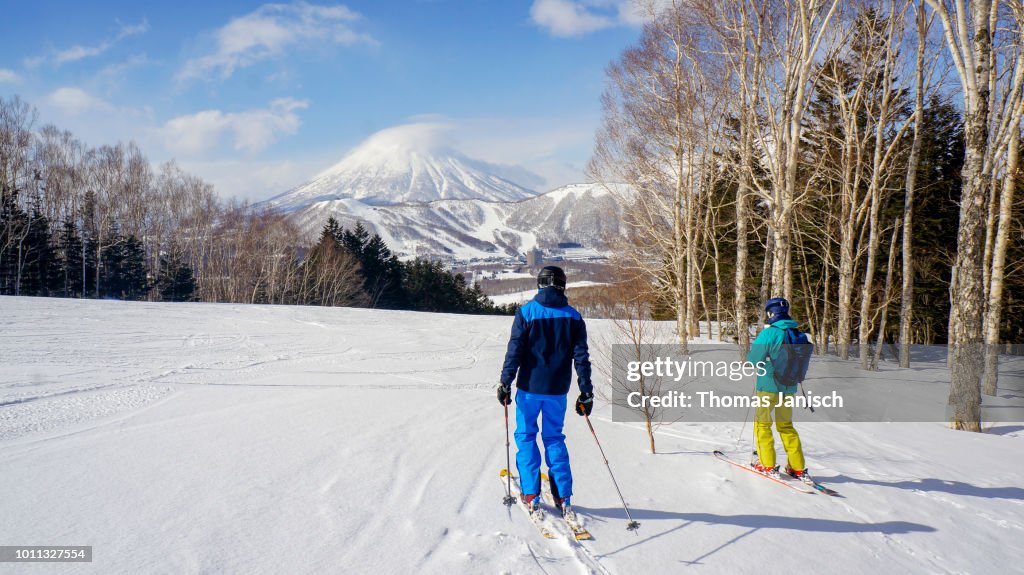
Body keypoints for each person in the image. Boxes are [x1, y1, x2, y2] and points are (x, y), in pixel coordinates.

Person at [497, 265, 592, 521]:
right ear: (562, 285)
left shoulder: (526, 312)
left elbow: (514, 351)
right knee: (554, 438)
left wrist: (505, 382)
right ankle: (563, 496)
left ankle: (531, 494)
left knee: (526, 436)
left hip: (529, 388)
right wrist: (586, 391)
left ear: (540, 284)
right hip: (557, 390)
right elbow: (581, 357)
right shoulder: (573, 317)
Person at [746, 297, 811, 482]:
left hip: (768, 386)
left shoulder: (770, 334)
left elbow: (753, 360)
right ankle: (797, 467)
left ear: (770, 313)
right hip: (789, 387)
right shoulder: (799, 334)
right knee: (786, 426)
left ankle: (766, 464)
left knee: (763, 425)